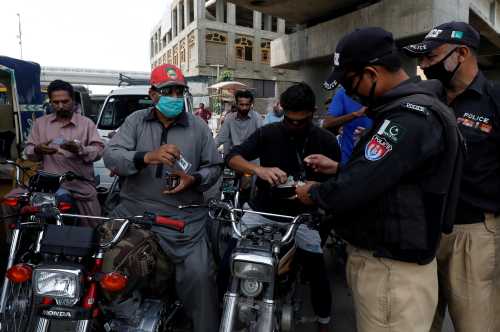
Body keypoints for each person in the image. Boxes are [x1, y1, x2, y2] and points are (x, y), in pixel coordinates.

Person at [295, 27, 463, 332]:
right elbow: (389, 177)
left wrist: (315, 192)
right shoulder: (410, 111)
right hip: (391, 268)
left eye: (349, 83)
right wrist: (339, 169)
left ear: (372, 73)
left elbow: (356, 188)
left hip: (391, 273)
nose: (349, 93)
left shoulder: (408, 118)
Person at [103, 64, 222, 332]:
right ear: (153, 94)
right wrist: (145, 157)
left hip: (185, 219)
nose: (175, 98)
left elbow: (214, 168)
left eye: (180, 91)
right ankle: (125, 322)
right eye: (168, 91)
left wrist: (195, 179)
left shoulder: (199, 127)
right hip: (135, 214)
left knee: (200, 278)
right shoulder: (135, 121)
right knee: (107, 267)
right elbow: (111, 155)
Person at [403, 21, 500, 332]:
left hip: (474, 234)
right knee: (419, 323)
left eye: (431, 57)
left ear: (461, 54)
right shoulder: (424, 101)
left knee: (476, 325)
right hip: (424, 231)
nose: (422, 64)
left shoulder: (494, 101)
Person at [226, 83, 339, 332]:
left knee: (316, 269)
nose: (295, 126)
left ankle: (323, 321)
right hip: (261, 210)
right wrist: (258, 170)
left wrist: (316, 192)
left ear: (313, 113)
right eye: (290, 120)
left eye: (302, 121)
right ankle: (227, 305)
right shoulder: (268, 133)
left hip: (302, 218)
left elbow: (340, 184)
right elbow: (232, 156)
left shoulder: (326, 140)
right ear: (281, 110)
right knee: (230, 258)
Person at [24, 79, 104, 216]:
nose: (60, 106)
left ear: (73, 100)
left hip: (80, 185)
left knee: (93, 227)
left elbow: (99, 151)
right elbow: (28, 151)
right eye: (55, 102)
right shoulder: (40, 124)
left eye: (65, 101)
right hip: (49, 187)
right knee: (12, 204)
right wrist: (37, 150)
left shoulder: (86, 124)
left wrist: (80, 149)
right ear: (50, 102)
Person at [322, 87, 373, 165]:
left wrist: (369, 133)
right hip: (347, 158)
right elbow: (327, 123)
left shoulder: (384, 92)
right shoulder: (343, 92)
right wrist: (355, 114)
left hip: (374, 159)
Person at [215, 90, 263, 156]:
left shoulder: (257, 118)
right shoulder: (229, 118)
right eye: (241, 104)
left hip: (252, 158)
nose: (244, 107)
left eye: (247, 105)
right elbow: (220, 139)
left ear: (250, 104)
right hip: (234, 157)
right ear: (236, 104)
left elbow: (263, 138)